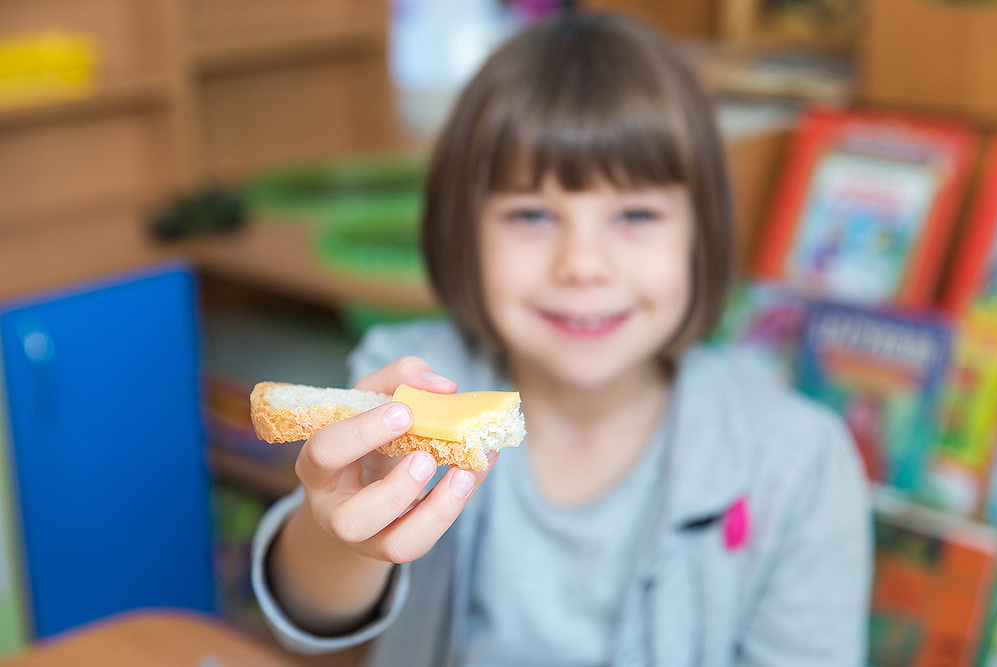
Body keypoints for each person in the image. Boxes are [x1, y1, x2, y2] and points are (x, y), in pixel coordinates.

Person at [252, 11, 872, 666]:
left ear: (701, 236)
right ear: (464, 230)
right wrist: (341, 538)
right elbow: (306, 619)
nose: (583, 263)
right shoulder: (406, 378)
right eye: (533, 214)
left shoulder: (798, 462)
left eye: (635, 214)